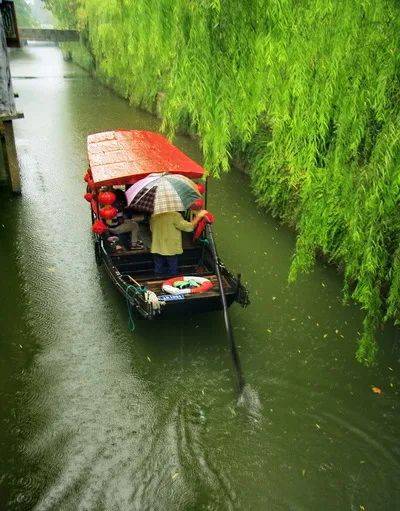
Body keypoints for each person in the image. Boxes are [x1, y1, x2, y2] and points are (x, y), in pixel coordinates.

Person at [150, 209, 208, 276]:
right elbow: (189, 227)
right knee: (172, 272)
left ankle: (158, 280)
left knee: (158, 271)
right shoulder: (175, 215)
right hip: (171, 248)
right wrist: (199, 216)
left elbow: (151, 229)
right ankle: (171, 281)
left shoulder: (154, 216)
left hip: (157, 247)